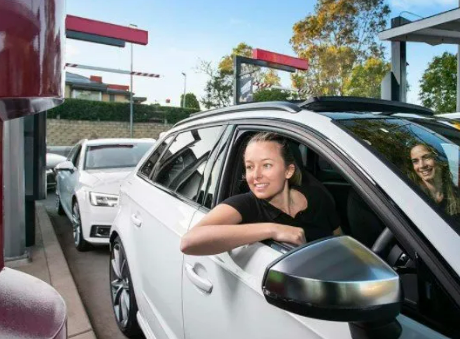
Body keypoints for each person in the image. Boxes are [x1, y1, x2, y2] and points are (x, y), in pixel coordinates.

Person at [180, 132, 342, 256]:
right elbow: (189, 241)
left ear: (288, 170)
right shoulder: (246, 205)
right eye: (250, 167)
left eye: (266, 165)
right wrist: (273, 229)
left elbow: (340, 244)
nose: (255, 175)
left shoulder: (317, 197)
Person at [409, 143, 460, 217]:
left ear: (438, 159)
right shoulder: (414, 198)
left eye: (426, 157)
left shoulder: (455, 190)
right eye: (415, 161)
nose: (422, 165)